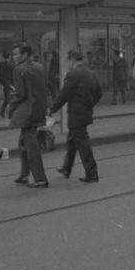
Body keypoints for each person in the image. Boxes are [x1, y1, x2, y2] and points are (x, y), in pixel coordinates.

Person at [48, 50, 103, 183]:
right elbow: (99, 93)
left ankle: (92, 174)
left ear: (72, 59)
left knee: (83, 145)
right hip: (85, 112)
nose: (67, 63)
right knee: (71, 142)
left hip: (76, 115)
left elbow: (63, 95)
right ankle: (66, 168)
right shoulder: (91, 74)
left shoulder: (73, 75)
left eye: (68, 60)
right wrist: (89, 104)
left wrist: (52, 109)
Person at [7, 42, 50, 188]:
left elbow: (21, 93)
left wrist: (11, 105)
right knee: (23, 142)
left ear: (25, 54)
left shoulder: (19, 69)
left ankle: (40, 178)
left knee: (31, 145)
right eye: (13, 54)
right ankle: (24, 174)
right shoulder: (39, 67)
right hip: (39, 109)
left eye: (16, 54)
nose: (14, 57)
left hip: (27, 111)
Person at [0, 51, 14, 118]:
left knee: (8, 99)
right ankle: (9, 114)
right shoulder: (11, 65)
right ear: (9, 56)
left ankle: (5, 113)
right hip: (11, 85)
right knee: (9, 100)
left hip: (6, 85)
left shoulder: (1, 65)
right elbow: (13, 75)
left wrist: (3, 83)